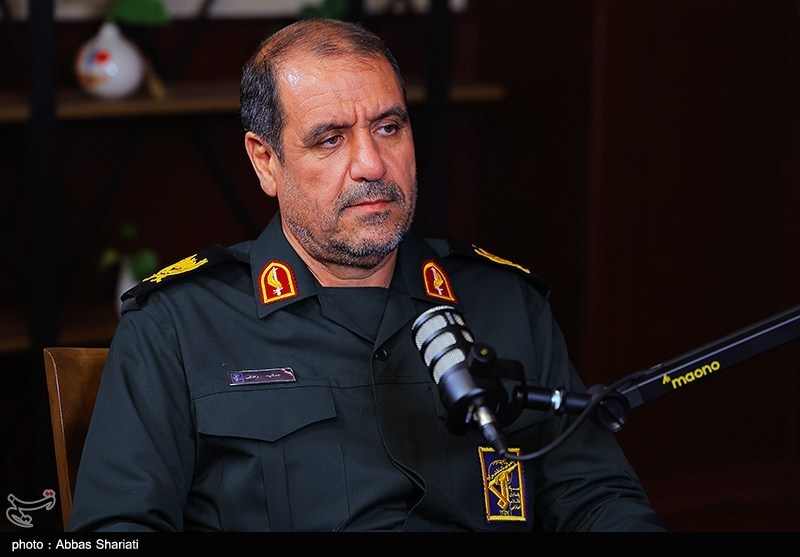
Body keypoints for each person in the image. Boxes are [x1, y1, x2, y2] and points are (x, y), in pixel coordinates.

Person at [67, 18, 666, 532]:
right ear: (266, 161)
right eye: (330, 139)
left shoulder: (505, 301)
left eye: (388, 127)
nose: (371, 164)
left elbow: (596, 498)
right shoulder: (178, 325)